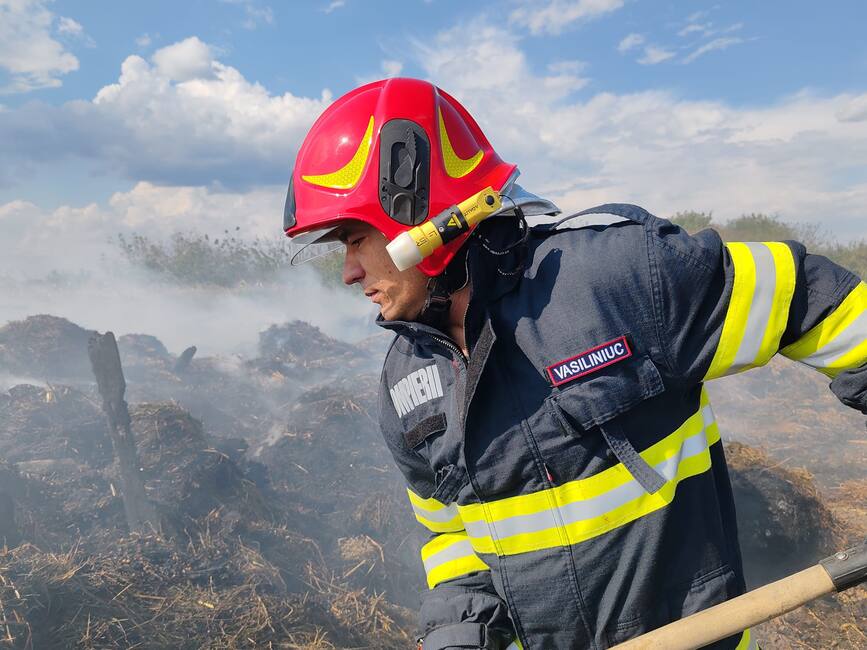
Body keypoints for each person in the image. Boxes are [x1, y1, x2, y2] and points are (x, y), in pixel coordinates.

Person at [283, 77, 867, 649]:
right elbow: (452, 541)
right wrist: (459, 639)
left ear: (418, 213)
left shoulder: (613, 277)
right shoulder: (404, 386)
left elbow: (821, 304)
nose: (349, 273)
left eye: (356, 240)